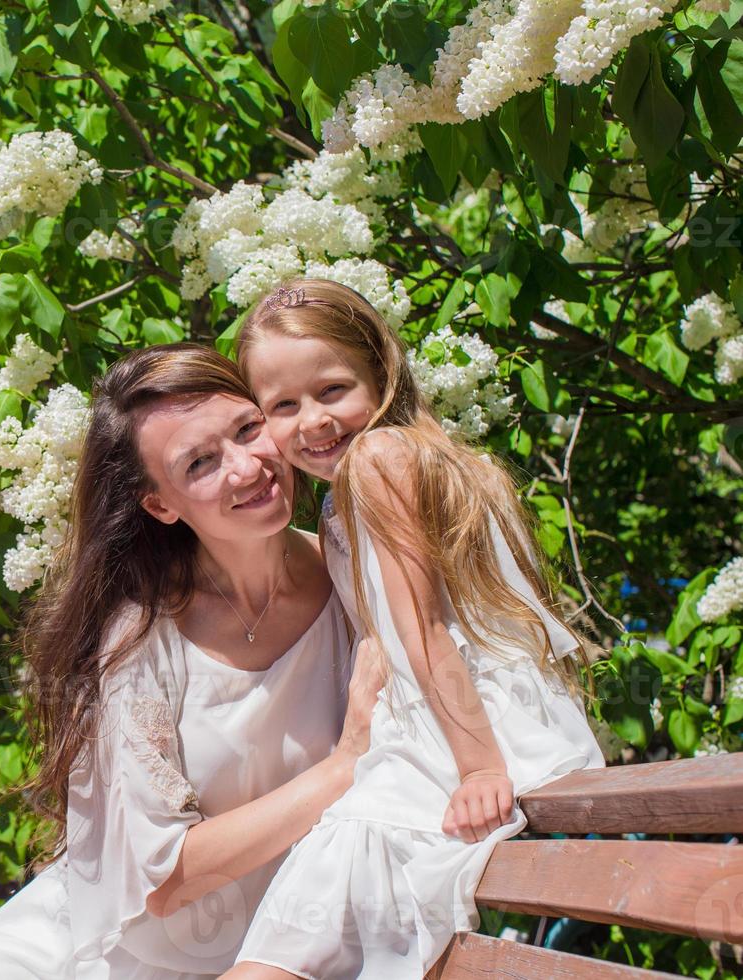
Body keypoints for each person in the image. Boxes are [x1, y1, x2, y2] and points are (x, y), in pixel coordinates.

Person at [0, 342, 383, 979]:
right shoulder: (139, 639)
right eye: (200, 462)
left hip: (282, 954)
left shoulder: (352, 573)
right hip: (104, 959)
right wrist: (341, 770)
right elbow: (159, 881)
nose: (248, 467)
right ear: (161, 504)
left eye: (248, 429)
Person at [224, 279, 605, 979]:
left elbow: (427, 630)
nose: (312, 421)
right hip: (440, 736)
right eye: (283, 406)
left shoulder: (380, 462)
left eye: (333, 389)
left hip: (466, 737)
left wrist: (482, 766)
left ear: (381, 372)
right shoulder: (354, 498)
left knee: (285, 947)